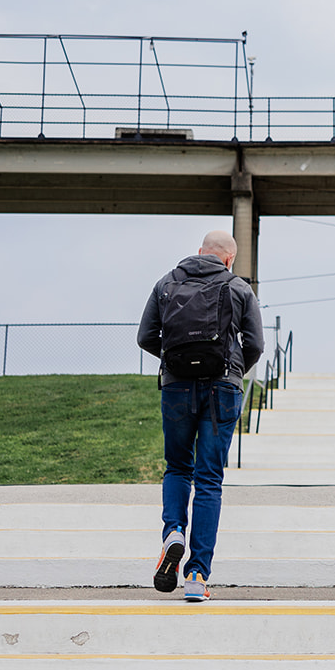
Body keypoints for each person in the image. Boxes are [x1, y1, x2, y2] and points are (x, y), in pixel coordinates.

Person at [137, 230, 264, 602]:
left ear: (198, 253)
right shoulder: (238, 287)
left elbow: (146, 336)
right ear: (228, 260)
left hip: (176, 385)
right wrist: (234, 370)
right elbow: (255, 343)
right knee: (209, 479)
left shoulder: (165, 283)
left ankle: (173, 531)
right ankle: (196, 574)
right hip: (222, 387)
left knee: (178, 467)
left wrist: (175, 360)